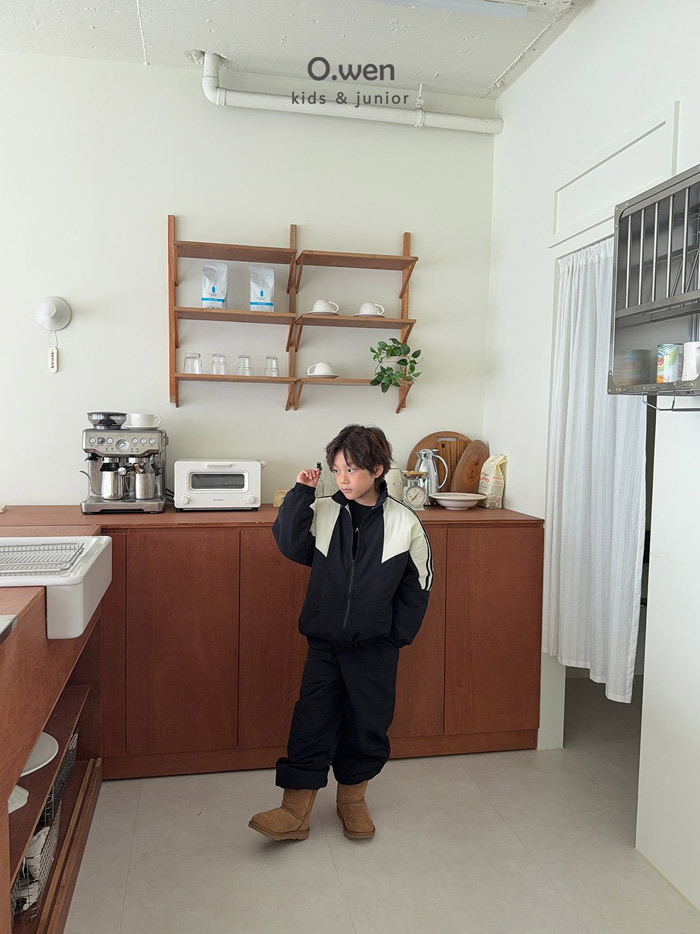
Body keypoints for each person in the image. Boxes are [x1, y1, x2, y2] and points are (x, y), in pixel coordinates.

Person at [249, 424, 433, 842]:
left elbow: (419, 584)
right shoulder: (324, 512)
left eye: (351, 469)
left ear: (377, 469)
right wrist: (301, 493)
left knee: (367, 724)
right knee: (311, 720)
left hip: (375, 649)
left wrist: (394, 637)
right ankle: (294, 811)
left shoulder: (404, 521)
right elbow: (288, 543)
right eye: (336, 470)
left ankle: (352, 800)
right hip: (325, 644)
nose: (343, 479)